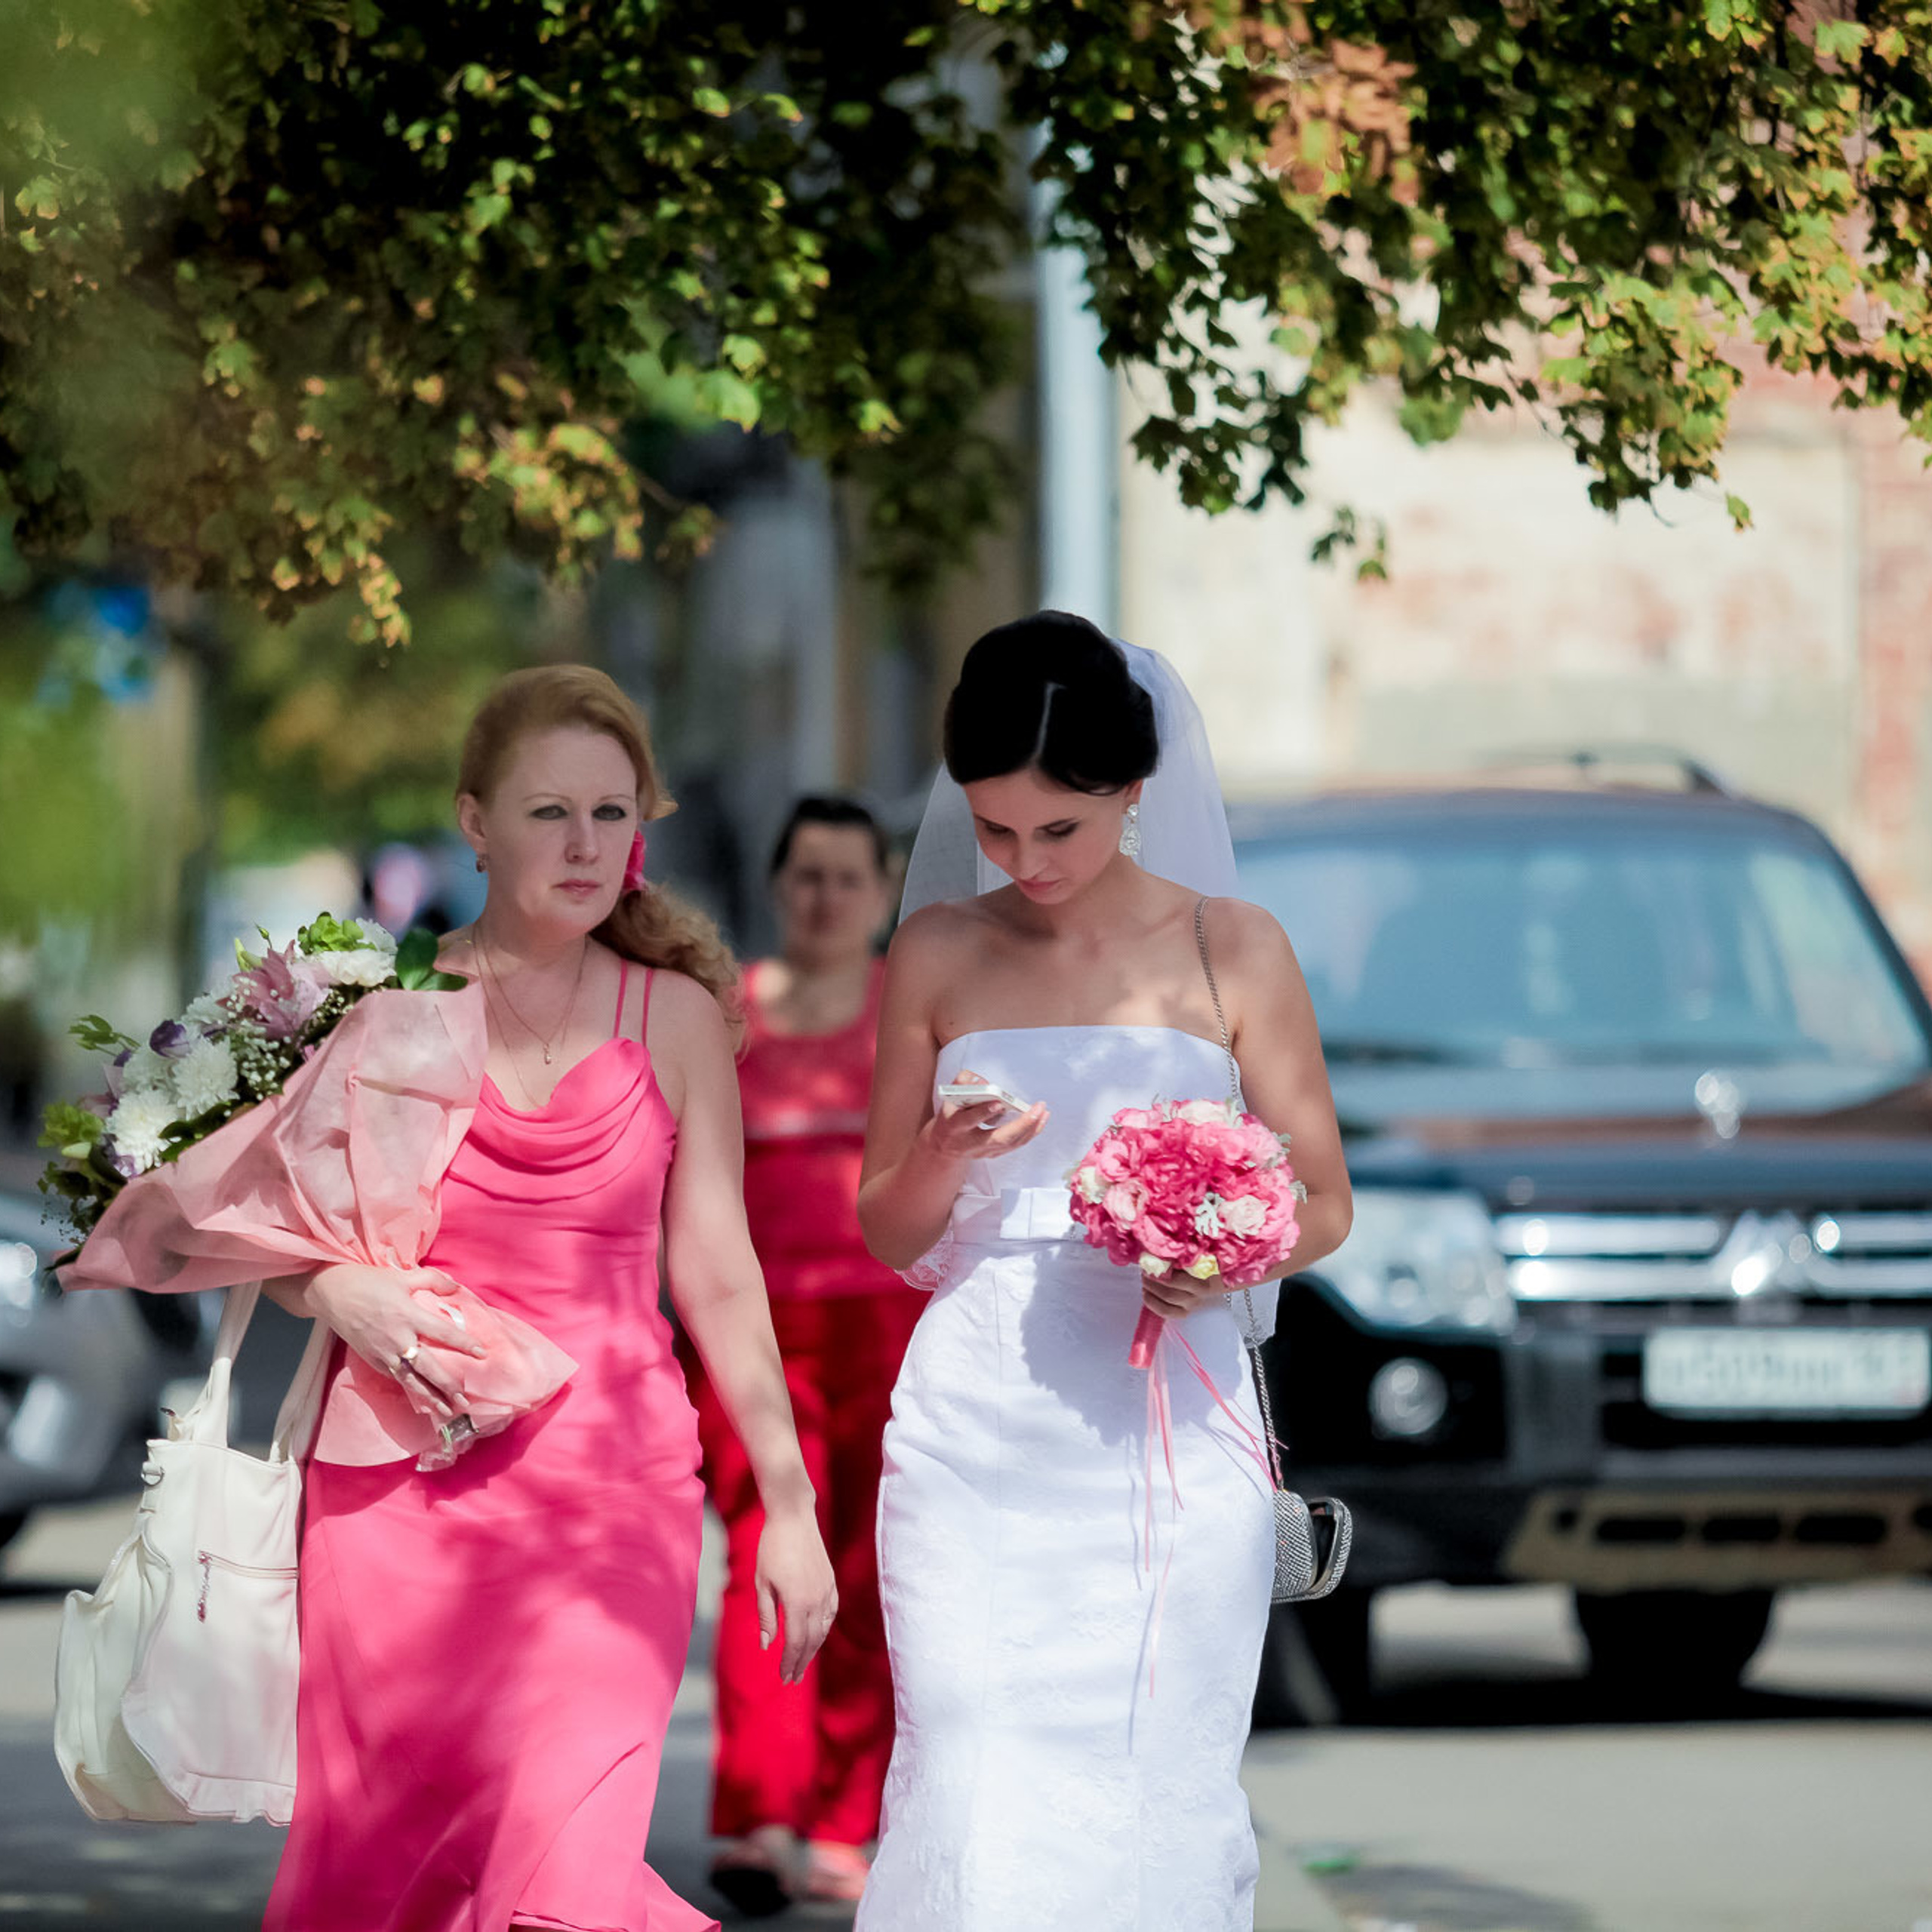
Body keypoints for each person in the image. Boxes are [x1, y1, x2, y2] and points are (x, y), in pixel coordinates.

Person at [261, 665, 837, 1932]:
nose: (585, 844)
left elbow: (720, 1273)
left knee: (562, 1878)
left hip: (611, 1494)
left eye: (611, 813)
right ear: (474, 823)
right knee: (390, 1887)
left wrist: (788, 1510)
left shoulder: (678, 1019)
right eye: (549, 813)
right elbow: (265, 1228)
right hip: (393, 1498)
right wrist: (334, 1287)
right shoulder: (378, 1005)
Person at [854, 613, 1352, 1930]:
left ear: (1134, 789)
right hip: (977, 1411)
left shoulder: (1234, 947)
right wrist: (942, 1154)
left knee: (1157, 1767)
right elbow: (887, 1231)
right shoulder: (938, 948)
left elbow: (1326, 1200)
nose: (1025, 863)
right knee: (968, 1757)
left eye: (1057, 830)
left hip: (1174, 1405)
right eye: (994, 829)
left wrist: (1227, 1251)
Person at [680, 795, 919, 1914]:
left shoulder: (907, 1007)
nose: (827, 898)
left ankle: (843, 1822)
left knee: (870, 1566)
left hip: (888, 1324)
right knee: (762, 1555)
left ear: (882, 893)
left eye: (848, 878)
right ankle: (759, 1818)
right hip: (753, 1333)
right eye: (808, 876)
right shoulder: (726, 1015)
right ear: (779, 886)